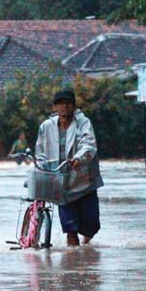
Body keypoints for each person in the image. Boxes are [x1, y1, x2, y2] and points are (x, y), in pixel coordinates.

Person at [35, 89, 103, 246]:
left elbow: (89, 144)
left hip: (84, 180)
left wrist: (79, 158)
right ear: (55, 107)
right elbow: (41, 150)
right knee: (70, 230)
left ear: (73, 106)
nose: (64, 106)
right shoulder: (46, 126)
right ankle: (73, 263)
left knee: (91, 226)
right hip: (61, 184)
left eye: (67, 103)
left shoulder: (83, 123)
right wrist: (40, 166)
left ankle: (87, 245)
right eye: (60, 103)